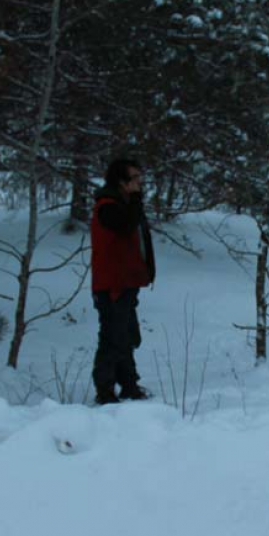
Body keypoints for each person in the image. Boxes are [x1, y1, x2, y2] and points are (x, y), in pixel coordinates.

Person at [90, 157, 156, 405]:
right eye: (135, 178)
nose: (140, 183)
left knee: (126, 336)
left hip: (125, 282)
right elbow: (125, 226)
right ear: (121, 181)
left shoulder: (123, 204)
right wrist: (136, 202)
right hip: (112, 285)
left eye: (140, 177)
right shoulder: (108, 207)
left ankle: (129, 385)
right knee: (112, 337)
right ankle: (105, 391)